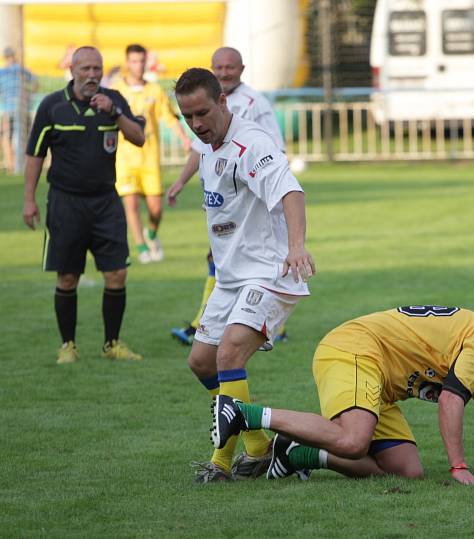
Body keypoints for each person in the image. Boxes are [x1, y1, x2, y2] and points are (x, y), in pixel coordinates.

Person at [212, 306, 474, 485]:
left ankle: (295, 455)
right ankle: (241, 414)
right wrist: (458, 467)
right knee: (353, 441)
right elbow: (450, 399)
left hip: (379, 383)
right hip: (354, 350)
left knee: (407, 471)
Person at [171, 68, 314, 483]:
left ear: (223, 102)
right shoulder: (207, 147)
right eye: (187, 117)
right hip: (232, 276)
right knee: (201, 363)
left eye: (202, 113)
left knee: (229, 354)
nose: (197, 124)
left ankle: (221, 463)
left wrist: (296, 245)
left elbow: (290, 191)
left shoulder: (251, 143)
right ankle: (260, 447)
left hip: (271, 272)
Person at [22, 46, 145, 364]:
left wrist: (115, 113)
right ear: (73, 70)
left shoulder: (114, 99)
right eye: (86, 68)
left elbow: (139, 137)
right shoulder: (52, 106)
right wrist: (28, 200)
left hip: (106, 201)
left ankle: (112, 344)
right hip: (65, 202)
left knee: (117, 274)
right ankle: (68, 345)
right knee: (67, 277)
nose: (92, 75)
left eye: (97, 69)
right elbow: (35, 155)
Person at [168, 46, 286, 345]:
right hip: (224, 202)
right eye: (217, 67)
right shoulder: (203, 111)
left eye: (229, 68)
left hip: (253, 205)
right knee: (218, 258)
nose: (223, 73)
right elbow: (201, 150)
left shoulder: (254, 104)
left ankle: (261, 324)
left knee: (227, 352)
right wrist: (182, 181)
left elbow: (274, 152)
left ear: (241, 69)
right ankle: (209, 324)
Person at [112, 44, 191, 264]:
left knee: (156, 208)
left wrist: (184, 138)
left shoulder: (154, 90)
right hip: (125, 159)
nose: (138, 65)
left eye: (142, 61)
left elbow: (169, 117)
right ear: (127, 63)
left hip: (150, 159)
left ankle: (152, 234)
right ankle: (142, 248)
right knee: (131, 205)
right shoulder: (116, 91)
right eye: (134, 61)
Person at [0, 47, 37, 173]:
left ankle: (14, 165)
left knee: (10, 136)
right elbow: (35, 84)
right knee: (18, 136)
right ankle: (16, 164)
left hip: (13, 108)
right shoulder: (19, 70)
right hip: (17, 108)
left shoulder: (9, 71)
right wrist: (27, 92)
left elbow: (35, 84)